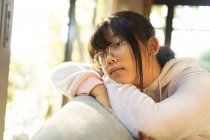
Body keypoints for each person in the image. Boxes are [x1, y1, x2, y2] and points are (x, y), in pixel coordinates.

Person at [51, 11, 210, 140]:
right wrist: (98, 89)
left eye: (117, 44)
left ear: (151, 46)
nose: (108, 59)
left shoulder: (198, 82)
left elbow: (154, 126)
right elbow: (60, 73)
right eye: (101, 54)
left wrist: (109, 83)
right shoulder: (120, 70)